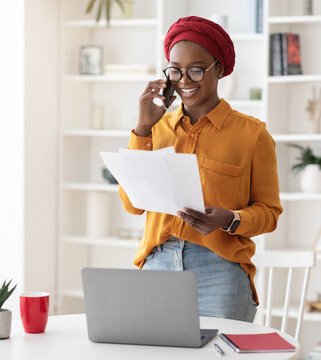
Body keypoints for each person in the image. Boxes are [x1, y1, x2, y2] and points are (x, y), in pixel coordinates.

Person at [118, 16, 283, 322]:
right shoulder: (156, 127)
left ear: (219, 69)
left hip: (219, 270)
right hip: (158, 265)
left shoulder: (252, 135)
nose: (184, 81)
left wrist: (230, 219)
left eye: (196, 69)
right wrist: (141, 129)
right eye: (175, 71)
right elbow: (132, 205)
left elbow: (269, 213)